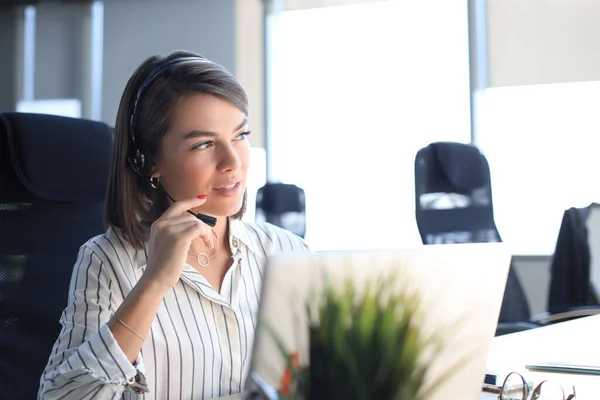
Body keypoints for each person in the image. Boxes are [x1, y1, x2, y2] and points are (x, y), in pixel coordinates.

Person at [38, 50, 309, 400]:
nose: (232, 162)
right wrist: (154, 282)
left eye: (240, 135)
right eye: (204, 144)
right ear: (150, 162)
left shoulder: (286, 251)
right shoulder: (108, 261)